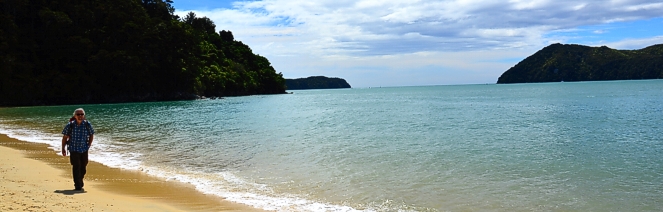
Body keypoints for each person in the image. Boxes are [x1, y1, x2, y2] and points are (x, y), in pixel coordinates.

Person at [61, 108, 95, 191]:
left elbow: (91, 135)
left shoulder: (87, 124)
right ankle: (77, 185)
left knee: (84, 165)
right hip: (73, 148)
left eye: (81, 114)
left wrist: (89, 144)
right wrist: (63, 148)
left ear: (84, 116)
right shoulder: (70, 125)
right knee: (76, 166)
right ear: (75, 116)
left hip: (84, 148)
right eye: (78, 114)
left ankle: (80, 180)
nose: (80, 116)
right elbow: (65, 137)